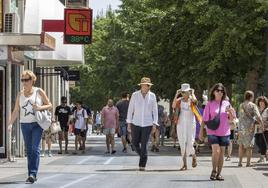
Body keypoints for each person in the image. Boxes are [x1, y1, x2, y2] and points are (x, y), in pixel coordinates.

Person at [8, 70, 52, 183]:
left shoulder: (39, 91)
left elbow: (50, 105)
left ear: (32, 80)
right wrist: (10, 123)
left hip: (37, 123)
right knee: (29, 150)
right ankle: (31, 174)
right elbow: (16, 110)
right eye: (22, 80)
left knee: (35, 148)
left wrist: (39, 107)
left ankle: (32, 173)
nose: (24, 82)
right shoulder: (20, 94)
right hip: (25, 124)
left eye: (26, 80)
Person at [199, 83, 235, 181]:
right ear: (214, 92)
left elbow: (231, 119)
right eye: (217, 90)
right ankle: (213, 171)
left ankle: (219, 173)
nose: (219, 92)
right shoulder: (209, 104)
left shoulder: (227, 104)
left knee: (222, 152)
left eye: (221, 91)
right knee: (216, 151)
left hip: (224, 131)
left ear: (224, 93)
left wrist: (230, 112)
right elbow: (204, 119)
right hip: (212, 131)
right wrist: (201, 132)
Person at [127, 77, 158, 171]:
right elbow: (130, 109)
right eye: (142, 85)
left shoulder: (152, 96)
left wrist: (154, 124)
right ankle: (143, 156)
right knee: (134, 143)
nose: (144, 87)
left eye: (146, 86)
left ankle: (142, 165)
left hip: (148, 124)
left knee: (144, 144)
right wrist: (129, 122)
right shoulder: (135, 95)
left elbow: (155, 110)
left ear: (149, 87)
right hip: (135, 122)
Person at [172, 83, 200, 171]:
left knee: (190, 142)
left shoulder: (192, 100)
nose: (185, 94)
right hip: (181, 124)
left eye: (187, 92)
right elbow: (173, 106)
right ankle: (184, 164)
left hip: (191, 124)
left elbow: (196, 102)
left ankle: (194, 155)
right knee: (182, 142)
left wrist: (193, 94)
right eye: (183, 92)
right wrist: (176, 94)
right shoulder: (179, 100)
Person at [237, 91, 263, 167]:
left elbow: (240, 116)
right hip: (250, 127)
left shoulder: (241, 105)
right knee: (249, 146)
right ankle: (248, 163)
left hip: (241, 127)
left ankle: (240, 162)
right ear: (251, 97)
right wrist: (261, 124)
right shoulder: (253, 105)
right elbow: (258, 116)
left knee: (241, 145)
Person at [254, 96, 268, 163]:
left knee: (263, 143)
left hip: (265, 129)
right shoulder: (257, 110)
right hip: (258, 129)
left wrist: (265, 126)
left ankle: (262, 157)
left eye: (263, 102)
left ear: (265, 103)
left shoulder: (267, 110)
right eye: (260, 102)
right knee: (257, 142)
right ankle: (264, 155)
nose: (261, 103)